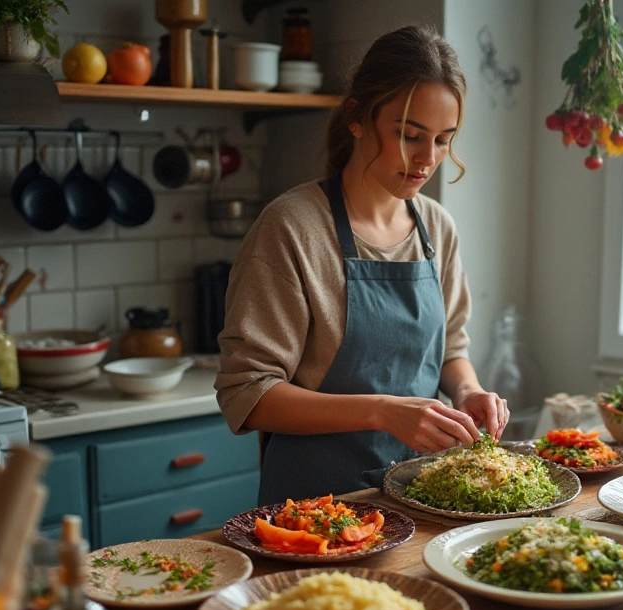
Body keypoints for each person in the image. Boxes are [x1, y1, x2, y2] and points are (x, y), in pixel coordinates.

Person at [215, 26, 509, 505]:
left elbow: (451, 347)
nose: (426, 159)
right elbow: (248, 393)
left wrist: (469, 391)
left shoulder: (436, 225)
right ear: (356, 117)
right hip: (314, 511)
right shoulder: (292, 227)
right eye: (409, 135)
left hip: (421, 497)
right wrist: (382, 411)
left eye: (442, 140)